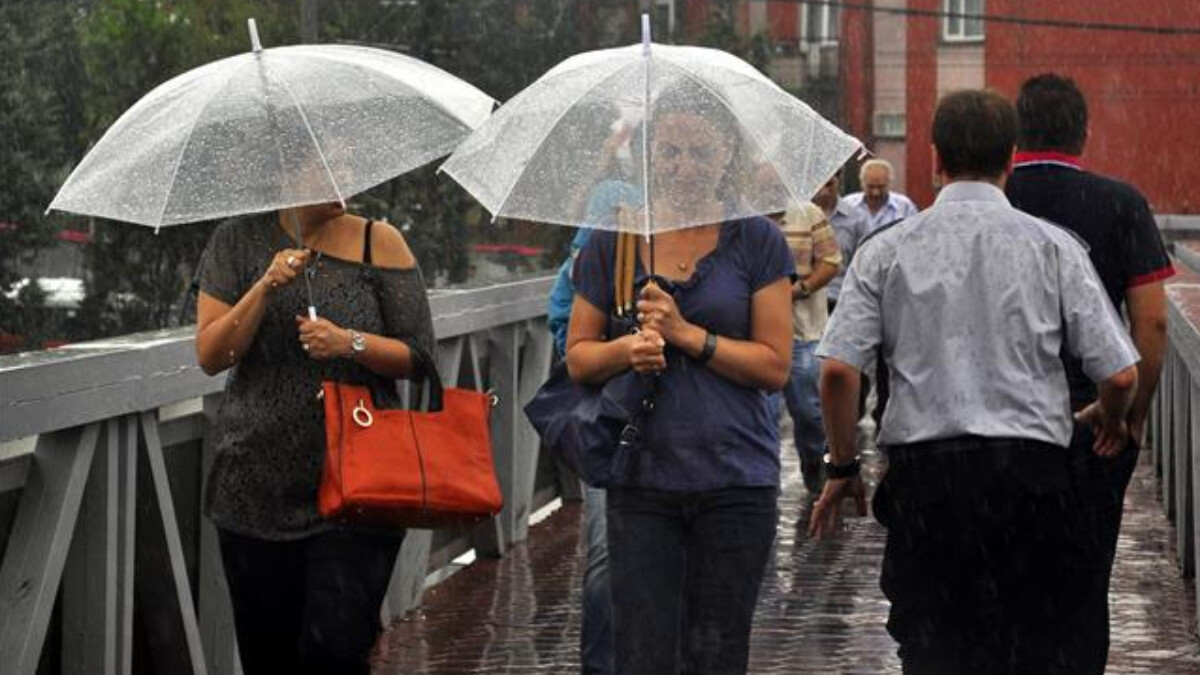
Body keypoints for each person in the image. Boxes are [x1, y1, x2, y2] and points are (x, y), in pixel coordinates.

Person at [810, 89, 1140, 675]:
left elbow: (837, 370)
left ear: (935, 158)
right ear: (1010, 158)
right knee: (1031, 646)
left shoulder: (887, 251)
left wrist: (842, 466)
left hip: (928, 486)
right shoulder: (1053, 248)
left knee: (938, 650)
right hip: (1032, 481)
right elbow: (1118, 372)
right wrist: (1109, 416)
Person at [566, 88, 794, 674]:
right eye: (669, 151)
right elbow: (579, 360)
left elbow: (774, 366)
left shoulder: (757, 240)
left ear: (726, 155)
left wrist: (690, 336)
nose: (684, 166)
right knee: (643, 655)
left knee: (717, 654)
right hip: (641, 477)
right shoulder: (614, 240)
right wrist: (628, 348)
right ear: (648, 155)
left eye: (700, 151)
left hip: (735, 476)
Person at [194, 200, 435, 675]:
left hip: (358, 489)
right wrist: (264, 287)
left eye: (345, 157)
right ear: (288, 168)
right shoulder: (236, 241)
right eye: (329, 158)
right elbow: (211, 354)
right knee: (269, 658)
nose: (342, 171)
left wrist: (350, 342)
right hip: (254, 488)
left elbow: (420, 356)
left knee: (337, 653)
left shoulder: (379, 242)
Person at [1006, 72, 1174, 673]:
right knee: (1082, 587)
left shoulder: (991, 200)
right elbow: (1151, 325)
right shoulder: (1121, 203)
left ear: (1015, 134)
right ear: (1084, 133)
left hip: (1000, 422)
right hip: (1092, 425)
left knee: (1004, 582)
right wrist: (1130, 416)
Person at [776, 201, 842, 494]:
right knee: (762, 412)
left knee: (808, 409)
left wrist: (800, 289)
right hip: (754, 332)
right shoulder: (741, 213)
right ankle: (763, 478)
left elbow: (831, 260)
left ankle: (815, 460)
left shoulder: (808, 213)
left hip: (803, 330)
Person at [844, 158, 919, 232]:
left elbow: (915, 234)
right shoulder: (848, 205)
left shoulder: (905, 206)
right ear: (862, 183)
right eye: (870, 186)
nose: (875, 192)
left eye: (881, 187)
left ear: (890, 183)